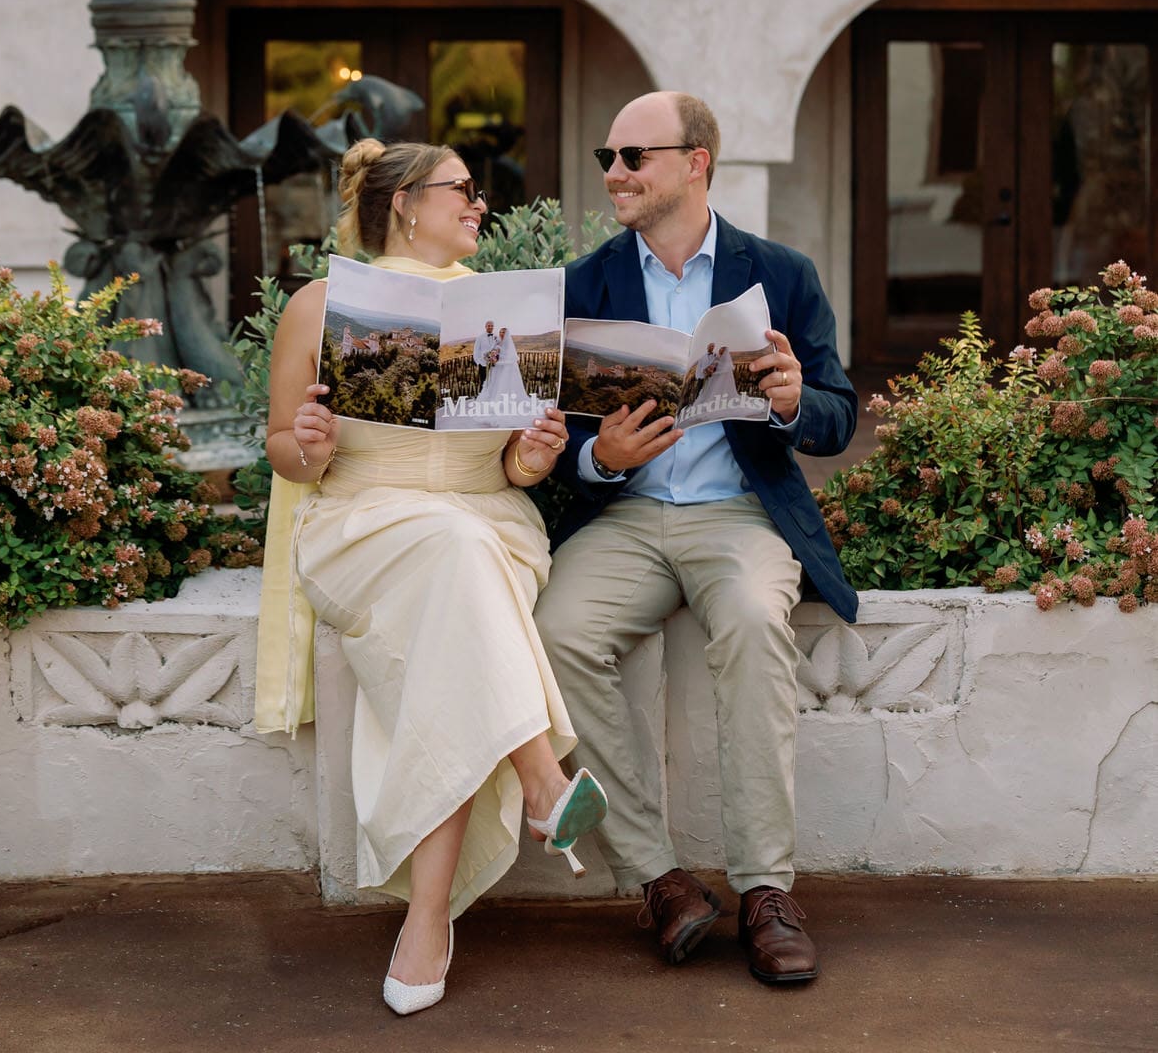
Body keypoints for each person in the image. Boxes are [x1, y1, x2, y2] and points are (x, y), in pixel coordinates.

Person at [254, 138, 608, 1015]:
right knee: (449, 557)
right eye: (464, 191)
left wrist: (533, 453)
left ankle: (428, 919)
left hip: (489, 523)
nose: (480, 204)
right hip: (363, 523)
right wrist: (309, 445)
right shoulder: (320, 304)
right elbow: (281, 454)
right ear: (407, 202)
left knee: (456, 565)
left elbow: (519, 470)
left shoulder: (506, 308)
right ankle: (541, 781)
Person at [534, 92, 857, 987]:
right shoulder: (582, 282)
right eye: (608, 155)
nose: (613, 174)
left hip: (738, 515)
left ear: (694, 162)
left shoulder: (778, 272)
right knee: (557, 633)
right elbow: (545, 428)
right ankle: (657, 877)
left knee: (756, 622)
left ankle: (763, 891)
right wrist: (597, 454)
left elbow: (838, 412)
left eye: (633, 156)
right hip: (626, 515)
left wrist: (795, 402)